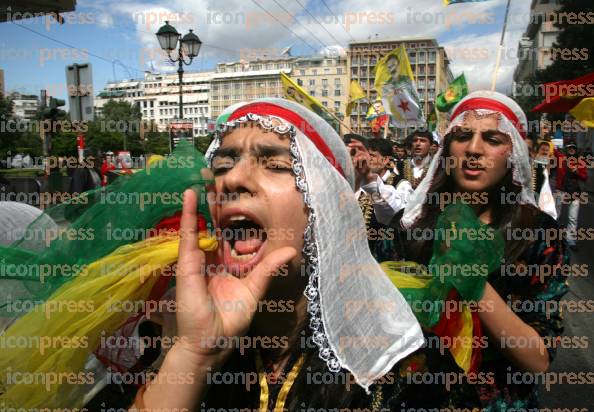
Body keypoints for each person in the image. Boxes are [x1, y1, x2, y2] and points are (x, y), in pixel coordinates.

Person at [127, 99, 454, 411]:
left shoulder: (403, 367)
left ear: (327, 207)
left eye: (276, 165)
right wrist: (195, 356)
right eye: (223, 165)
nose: (233, 179)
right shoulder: (172, 336)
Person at [391, 91, 569, 410]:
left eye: (492, 138)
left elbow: (538, 359)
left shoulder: (539, 233)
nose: (474, 149)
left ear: (512, 152)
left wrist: (471, 279)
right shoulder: (408, 226)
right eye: (462, 136)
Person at [346, 135, 413, 261]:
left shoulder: (399, 186)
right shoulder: (351, 184)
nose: (366, 160)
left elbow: (399, 219)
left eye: (372, 156)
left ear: (385, 160)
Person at [555, 142, 587, 249]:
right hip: (561, 190)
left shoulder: (580, 162)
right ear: (566, 149)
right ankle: (552, 236)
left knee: (573, 218)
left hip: (574, 192)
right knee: (556, 214)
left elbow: (585, 177)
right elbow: (552, 150)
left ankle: (571, 240)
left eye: (573, 148)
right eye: (570, 148)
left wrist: (577, 171)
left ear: (576, 150)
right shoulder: (561, 158)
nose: (572, 150)